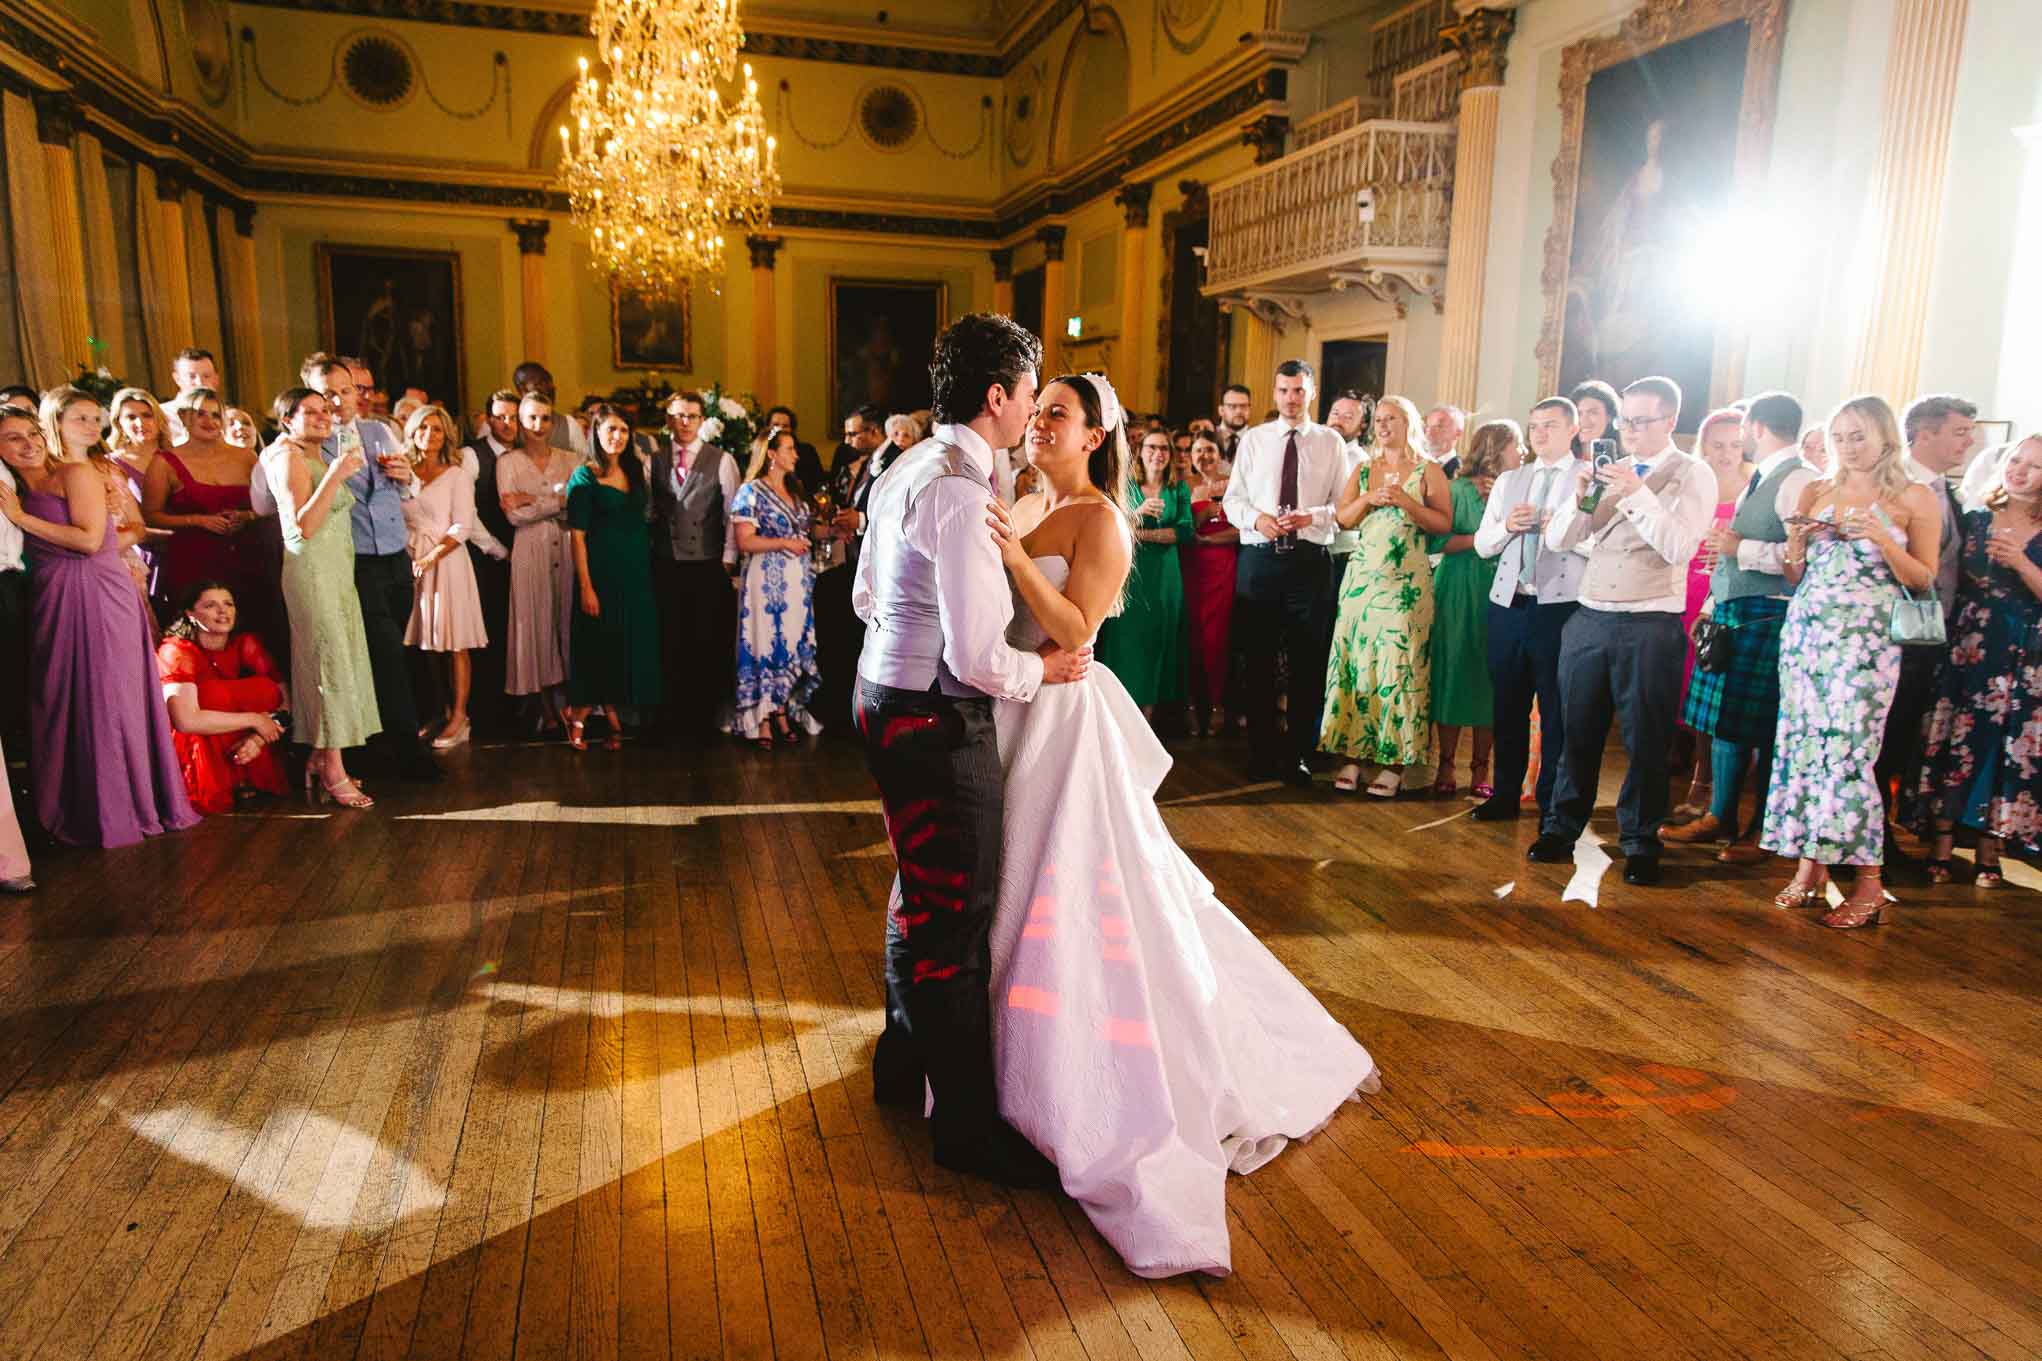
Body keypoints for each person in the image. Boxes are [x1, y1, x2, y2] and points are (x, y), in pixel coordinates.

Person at [985, 368, 1379, 1276]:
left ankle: (1073, 1073)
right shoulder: (1023, 495)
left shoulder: (1102, 521)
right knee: (1008, 881)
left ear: (1095, 436)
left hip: (1061, 714)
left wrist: (1011, 559)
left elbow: (1076, 630)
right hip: (1007, 710)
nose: (1040, 424)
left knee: (1074, 893)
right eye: (1037, 411)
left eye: (1058, 415)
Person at [851, 313, 1092, 1189]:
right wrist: (1048, 668)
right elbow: (978, 658)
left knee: (916, 891)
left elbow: (866, 592)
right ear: (998, 397)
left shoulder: (909, 463)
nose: (1034, 411)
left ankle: (898, 1066)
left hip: (882, 693)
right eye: (1030, 394)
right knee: (956, 918)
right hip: (932, 715)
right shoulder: (957, 488)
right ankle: (964, 1127)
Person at [1526, 376, 1716, 886]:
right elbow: (1563, 538)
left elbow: (1679, 547)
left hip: (1650, 621)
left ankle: (1640, 840)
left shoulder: (1692, 473)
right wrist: (1582, 496)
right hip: (1589, 617)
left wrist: (1636, 493)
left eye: (1642, 421)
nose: (1629, 430)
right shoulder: (1606, 468)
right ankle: (1560, 827)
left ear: (1671, 421)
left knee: (1646, 740)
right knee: (1577, 733)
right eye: (1625, 419)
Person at [1761, 396, 1940, 927]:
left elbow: (1923, 578)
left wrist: (1883, 539)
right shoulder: (1817, 490)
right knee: (1803, 748)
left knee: (1848, 755)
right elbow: (1797, 575)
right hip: (1806, 634)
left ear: (1886, 436)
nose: (1847, 446)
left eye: (1858, 435)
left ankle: (1870, 882)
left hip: (1865, 642)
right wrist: (1796, 541)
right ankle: (1810, 865)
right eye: (1839, 436)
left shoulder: (1913, 496)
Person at [0, 405, 199, 845]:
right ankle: (71, 808)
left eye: (31, 432)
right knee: (59, 701)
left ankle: (124, 808)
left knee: (107, 700)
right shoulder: (12, 487)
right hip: (49, 597)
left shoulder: (74, 474)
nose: (28, 443)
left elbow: (91, 540)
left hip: (99, 593)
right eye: (14, 438)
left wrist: (21, 518)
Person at [1666, 392, 1810, 862]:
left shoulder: (1799, 479)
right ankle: (1719, 816)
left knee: (1763, 726)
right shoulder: (1765, 474)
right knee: (1724, 721)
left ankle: (1759, 832)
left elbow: (1800, 563)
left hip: (1769, 612)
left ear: (1758, 428)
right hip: (1734, 608)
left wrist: (1739, 549)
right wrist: (1711, 603)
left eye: (1745, 428)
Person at [1915, 436, 2042, 887]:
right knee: (1957, 741)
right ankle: (1941, 845)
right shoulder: (1974, 518)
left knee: (2004, 748)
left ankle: (1992, 849)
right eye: (2016, 460)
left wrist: (2023, 564)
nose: (2020, 471)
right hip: (1968, 647)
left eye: (2034, 466)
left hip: (2024, 654)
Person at [1223, 360, 1348, 785]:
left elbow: (1343, 507)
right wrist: (1257, 519)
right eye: (1283, 391)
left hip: (1309, 563)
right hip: (1260, 560)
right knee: (1256, 661)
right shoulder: (1256, 440)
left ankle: (1298, 754)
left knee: (1307, 663)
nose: (1291, 399)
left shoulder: (1331, 443)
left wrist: (1311, 515)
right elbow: (1232, 500)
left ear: (1312, 393)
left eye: (1298, 391)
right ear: (1274, 394)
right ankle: (1260, 751)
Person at [1321, 394, 1451, 796]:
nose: (1383, 425)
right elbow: (1343, 518)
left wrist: (1407, 502)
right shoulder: (1363, 469)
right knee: (1357, 664)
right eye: (1379, 419)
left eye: (1392, 418)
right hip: (1362, 582)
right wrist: (1367, 499)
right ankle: (1352, 757)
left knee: (1399, 667)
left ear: (1408, 423)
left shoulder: (1429, 471)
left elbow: (1443, 524)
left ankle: (1395, 762)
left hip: (1406, 585)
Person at [263, 387, 381, 808]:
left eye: (324, 410)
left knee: (340, 661)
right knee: (326, 665)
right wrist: (335, 476)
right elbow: (303, 526)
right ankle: (334, 771)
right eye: (308, 412)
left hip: (336, 572)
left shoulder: (317, 455)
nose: (321, 417)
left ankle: (321, 754)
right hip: (311, 572)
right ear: (287, 421)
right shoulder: (287, 457)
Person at [1472, 397, 1587, 821]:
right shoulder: (1510, 480)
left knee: (1557, 707)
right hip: (1508, 603)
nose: (1539, 433)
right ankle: (1504, 793)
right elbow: (1484, 545)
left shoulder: (1586, 478)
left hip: (1560, 606)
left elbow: (1597, 544)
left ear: (1572, 430)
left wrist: (1557, 527)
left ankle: (1550, 800)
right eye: (1534, 425)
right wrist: (1508, 526)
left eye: (1551, 425)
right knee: (1507, 704)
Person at [1876, 394, 1978, 861]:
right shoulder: (1896, 487)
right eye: (1959, 431)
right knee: (1884, 732)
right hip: (1894, 629)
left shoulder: (1944, 491)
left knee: (1901, 736)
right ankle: (1871, 836)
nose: (1969, 441)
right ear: (1925, 433)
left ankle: (1884, 826)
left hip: (1929, 634)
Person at [144, 388, 277, 660]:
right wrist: (197, 520)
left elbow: (268, 506)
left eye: (216, 415)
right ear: (183, 416)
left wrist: (246, 516)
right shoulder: (164, 461)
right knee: (202, 642)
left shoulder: (246, 457)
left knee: (255, 632)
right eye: (200, 413)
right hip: (194, 561)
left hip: (247, 558)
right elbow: (151, 515)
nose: (210, 421)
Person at [1669, 407, 1751, 819]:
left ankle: (1713, 784)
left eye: (1735, 445)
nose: (1726, 453)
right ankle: (1695, 774)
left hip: (1726, 593)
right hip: (1685, 588)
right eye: (1717, 445)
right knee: (1688, 691)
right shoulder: (1693, 479)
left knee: (1715, 686)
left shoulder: (1754, 484)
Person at [565, 404, 661, 750]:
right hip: (600, 572)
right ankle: (578, 712)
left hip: (634, 572)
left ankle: (612, 714)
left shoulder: (636, 471)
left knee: (624, 644)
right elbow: (577, 536)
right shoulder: (585, 476)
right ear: (596, 433)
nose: (617, 437)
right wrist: (586, 586)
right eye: (610, 430)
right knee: (598, 643)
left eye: (623, 430)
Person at [1430, 419, 1517, 800]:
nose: (1524, 453)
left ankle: (1482, 766)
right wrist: (1482, 540)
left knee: (1491, 676)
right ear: (1495, 450)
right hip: (1458, 584)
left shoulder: (1520, 488)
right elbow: (1438, 541)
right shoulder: (1457, 489)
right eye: (1516, 446)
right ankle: (1445, 762)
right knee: (1452, 670)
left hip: (1501, 588)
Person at [647, 389, 740, 745]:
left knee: (706, 642)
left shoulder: (722, 460)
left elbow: (734, 514)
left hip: (708, 563)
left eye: (692, 416)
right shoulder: (653, 460)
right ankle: (673, 717)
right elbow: (649, 511)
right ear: (668, 419)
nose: (685, 423)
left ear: (702, 421)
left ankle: (704, 718)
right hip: (667, 564)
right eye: (678, 415)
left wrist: (728, 560)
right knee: (670, 641)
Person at [399, 403, 489, 750]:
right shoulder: (404, 473)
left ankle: (460, 717)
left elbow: (462, 525)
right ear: (412, 433)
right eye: (423, 428)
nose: (429, 435)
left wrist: (431, 556)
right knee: (427, 644)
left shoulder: (457, 474)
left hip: (447, 562)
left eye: (437, 429)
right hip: (411, 559)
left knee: (455, 644)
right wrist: (411, 555)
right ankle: (440, 710)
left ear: (446, 435)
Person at [156, 581, 290, 813]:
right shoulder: (177, 650)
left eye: (228, 604)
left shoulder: (245, 644)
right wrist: (255, 720)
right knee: (213, 695)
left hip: (250, 752)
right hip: (196, 760)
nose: (223, 611)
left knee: (265, 689)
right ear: (190, 614)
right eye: (210, 605)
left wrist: (258, 739)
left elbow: (287, 702)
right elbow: (185, 721)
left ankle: (244, 777)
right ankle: (224, 782)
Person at [731, 429, 823, 745]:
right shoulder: (751, 492)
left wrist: (831, 529)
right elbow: (744, 541)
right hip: (764, 579)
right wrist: (784, 542)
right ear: (771, 454)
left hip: (796, 580)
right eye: (789, 449)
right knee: (764, 640)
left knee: (791, 639)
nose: (795, 455)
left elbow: (808, 532)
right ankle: (762, 716)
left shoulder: (796, 493)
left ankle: (782, 708)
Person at [498, 392, 579, 732]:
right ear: (520, 421)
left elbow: (574, 505)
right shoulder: (508, 462)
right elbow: (514, 516)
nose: (538, 426)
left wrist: (533, 499)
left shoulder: (571, 460)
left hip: (566, 547)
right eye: (531, 418)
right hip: (529, 550)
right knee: (536, 623)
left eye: (545, 418)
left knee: (566, 620)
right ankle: (545, 707)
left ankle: (571, 705)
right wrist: (554, 500)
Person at [1098, 425, 1190, 718]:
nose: (1157, 454)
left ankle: (1146, 721)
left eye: (1164, 448)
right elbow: (1112, 525)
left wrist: (1143, 535)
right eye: (1151, 447)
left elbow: (1185, 531)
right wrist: (1137, 516)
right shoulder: (1127, 486)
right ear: (1140, 452)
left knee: (1157, 643)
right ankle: (1116, 716)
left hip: (1164, 577)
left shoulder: (1179, 488)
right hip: (1130, 574)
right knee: (1126, 643)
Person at [813, 404, 888, 731]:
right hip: (850, 560)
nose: (846, 440)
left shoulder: (894, 462)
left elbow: (896, 514)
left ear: (874, 432)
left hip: (876, 568)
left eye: (852, 433)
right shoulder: (858, 465)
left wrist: (861, 520)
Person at [461, 389, 520, 737]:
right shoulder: (473, 456)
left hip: (522, 558)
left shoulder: (524, 455)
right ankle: (487, 715)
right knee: (488, 635)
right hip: (486, 559)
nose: (508, 423)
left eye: (514, 417)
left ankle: (517, 712)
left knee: (518, 633)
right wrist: (497, 549)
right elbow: (467, 513)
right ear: (488, 419)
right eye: (500, 417)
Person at [1181, 430, 1237, 737]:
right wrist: (1207, 511)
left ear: (1220, 454)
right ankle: (1190, 706)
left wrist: (1208, 537)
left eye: (1210, 451)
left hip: (1223, 564)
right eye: (1198, 451)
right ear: (1191, 456)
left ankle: (1218, 705)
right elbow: (1184, 528)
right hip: (1192, 567)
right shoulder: (1185, 486)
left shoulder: (1235, 484)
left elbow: (1243, 530)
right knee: (1191, 635)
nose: (1204, 456)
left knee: (1217, 638)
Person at [762, 404, 829, 495]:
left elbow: (819, 483)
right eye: (776, 425)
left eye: (785, 426)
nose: (780, 429)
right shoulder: (761, 453)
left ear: (792, 430)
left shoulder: (806, 451)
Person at [1568, 379, 1619, 459]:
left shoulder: (1625, 462)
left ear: (1609, 417)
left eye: (1592, 412)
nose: (1583, 420)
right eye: (1579, 413)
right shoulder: (1561, 456)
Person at [1423, 403, 1466, 479]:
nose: (1429, 432)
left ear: (1458, 433)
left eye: (1439, 426)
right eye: (1428, 426)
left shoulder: (1462, 472)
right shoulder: (1415, 465)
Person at [1216, 383, 1253, 461]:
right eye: (1232, 406)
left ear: (1250, 409)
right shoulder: (1208, 436)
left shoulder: (1258, 439)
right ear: (1221, 410)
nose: (1239, 411)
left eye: (1244, 406)